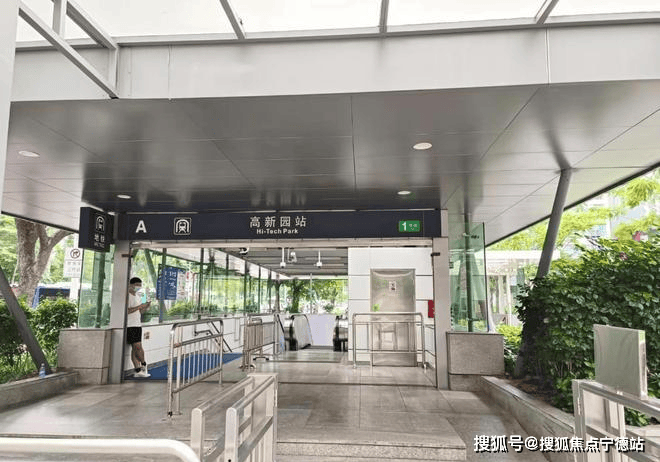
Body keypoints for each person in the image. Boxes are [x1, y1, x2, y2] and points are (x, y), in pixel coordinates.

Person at [126, 277, 151, 377]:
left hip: (137, 324)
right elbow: (127, 311)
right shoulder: (127, 296)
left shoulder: (138, 296)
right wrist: (139, 307)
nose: (138, 287)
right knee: (137, 346)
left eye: (140, 286)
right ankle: (143, 364)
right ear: (131, 285)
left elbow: (140, 311)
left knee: (135, 348)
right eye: (137, 285)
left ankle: (138, 370)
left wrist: (146, 306)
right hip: (129, 325)